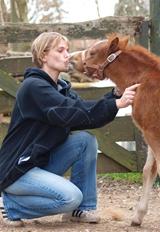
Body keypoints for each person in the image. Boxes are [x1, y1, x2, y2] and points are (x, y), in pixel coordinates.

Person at [0, 32, 140, 227]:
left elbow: (85, 113)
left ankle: (81, 209)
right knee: (70, 197)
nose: (67, 54)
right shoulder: (34, 87)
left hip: (38, 163)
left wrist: (116, 94)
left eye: (67, 50)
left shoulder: (60, 88)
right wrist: (117, 104)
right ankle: (10, 205)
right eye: (60, 50)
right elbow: (71, 113)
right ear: (43, 56)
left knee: (85, 141)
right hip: (17, 170)